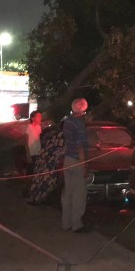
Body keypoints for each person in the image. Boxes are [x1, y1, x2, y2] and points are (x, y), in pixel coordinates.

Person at [61, 98, 90, 232]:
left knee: (68, 192)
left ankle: (66, 223)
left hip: (68, 159)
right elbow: (80, 147)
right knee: (79, 194)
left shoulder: (67, 121)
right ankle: (77, 225)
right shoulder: (79, 124)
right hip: (77, 161)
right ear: (82, 110)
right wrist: (85, 166)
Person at [27, 110, 65, 206]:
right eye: (38, 117)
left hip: (40, 154)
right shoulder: (30, 128)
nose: (41, 119)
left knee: (39, 176)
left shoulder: (42, 129)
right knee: (35, 175)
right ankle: (33, 195)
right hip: (37, 155)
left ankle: (37, 196)